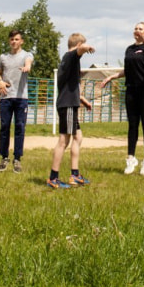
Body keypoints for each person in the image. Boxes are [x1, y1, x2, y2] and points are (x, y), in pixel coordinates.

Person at [99, 22, 144, 176]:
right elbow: (127, 70)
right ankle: (131, 158)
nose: (136, 30)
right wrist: (112, 76)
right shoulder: (129, 49)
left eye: (140, 29)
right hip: (131, 90)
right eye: (135, 28)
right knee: (132, 125)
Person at [48, 33, 95, 189]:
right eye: (82, 44)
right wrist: (86, 47)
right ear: (79, 43)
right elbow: (79, 50)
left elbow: (68, 86)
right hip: (67, 105)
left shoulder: (67, 60)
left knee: (78, 137)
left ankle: (75, 175)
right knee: (64, 141)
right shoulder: (70, 56)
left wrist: (82, 100)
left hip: (70, 103)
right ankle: (53, 178)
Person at [0, 30, 34, 174]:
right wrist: (0, 82)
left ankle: (17, 159)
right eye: (12, 39)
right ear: (9, 41)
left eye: (17, 39)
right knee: (4, 127)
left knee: (20, 127)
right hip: (6, 97)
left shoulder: (26, 55)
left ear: (21, 41)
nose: (14, 42)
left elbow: (28, 63)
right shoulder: (3, 57)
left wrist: (27, 67)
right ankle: (4, 158)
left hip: (21, 98)